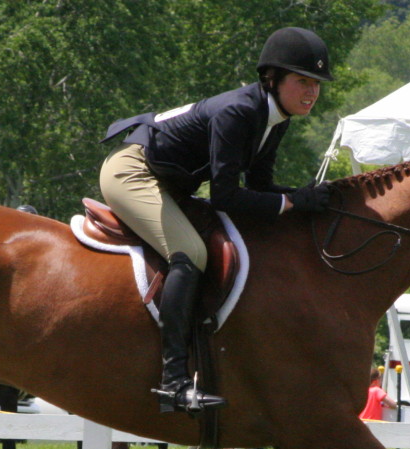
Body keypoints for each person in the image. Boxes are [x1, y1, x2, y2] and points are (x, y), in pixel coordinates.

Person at [99, 26, 333, 414]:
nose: (312, 92)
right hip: (133, 171)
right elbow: (225, 196)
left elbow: (259, 185)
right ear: (272, 79)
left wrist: (303, 199)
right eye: (303, 81)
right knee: (190, 252)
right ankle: (173, 383)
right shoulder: (238, 112)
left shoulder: (275, 117)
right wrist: (294, 202)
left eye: (317, 84)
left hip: (168, 180)